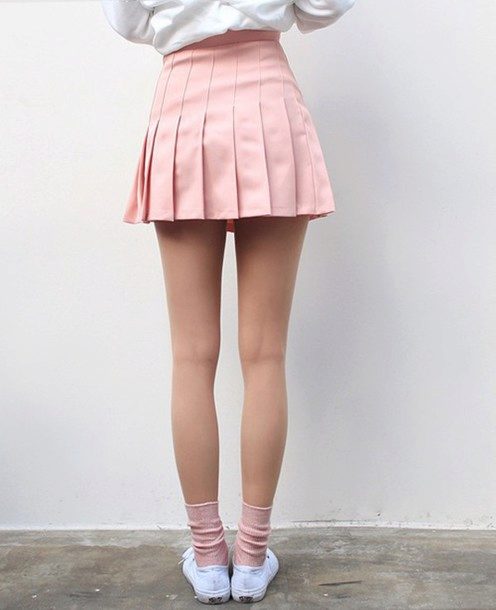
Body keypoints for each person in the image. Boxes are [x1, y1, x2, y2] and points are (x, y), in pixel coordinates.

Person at [100, 0, 355, 603]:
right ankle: (253, 555)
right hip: (269, 106)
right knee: (265, 354)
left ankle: (211, 558)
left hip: (185, 111)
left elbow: (128, 21)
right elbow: (322, 8)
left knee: (192, 356)